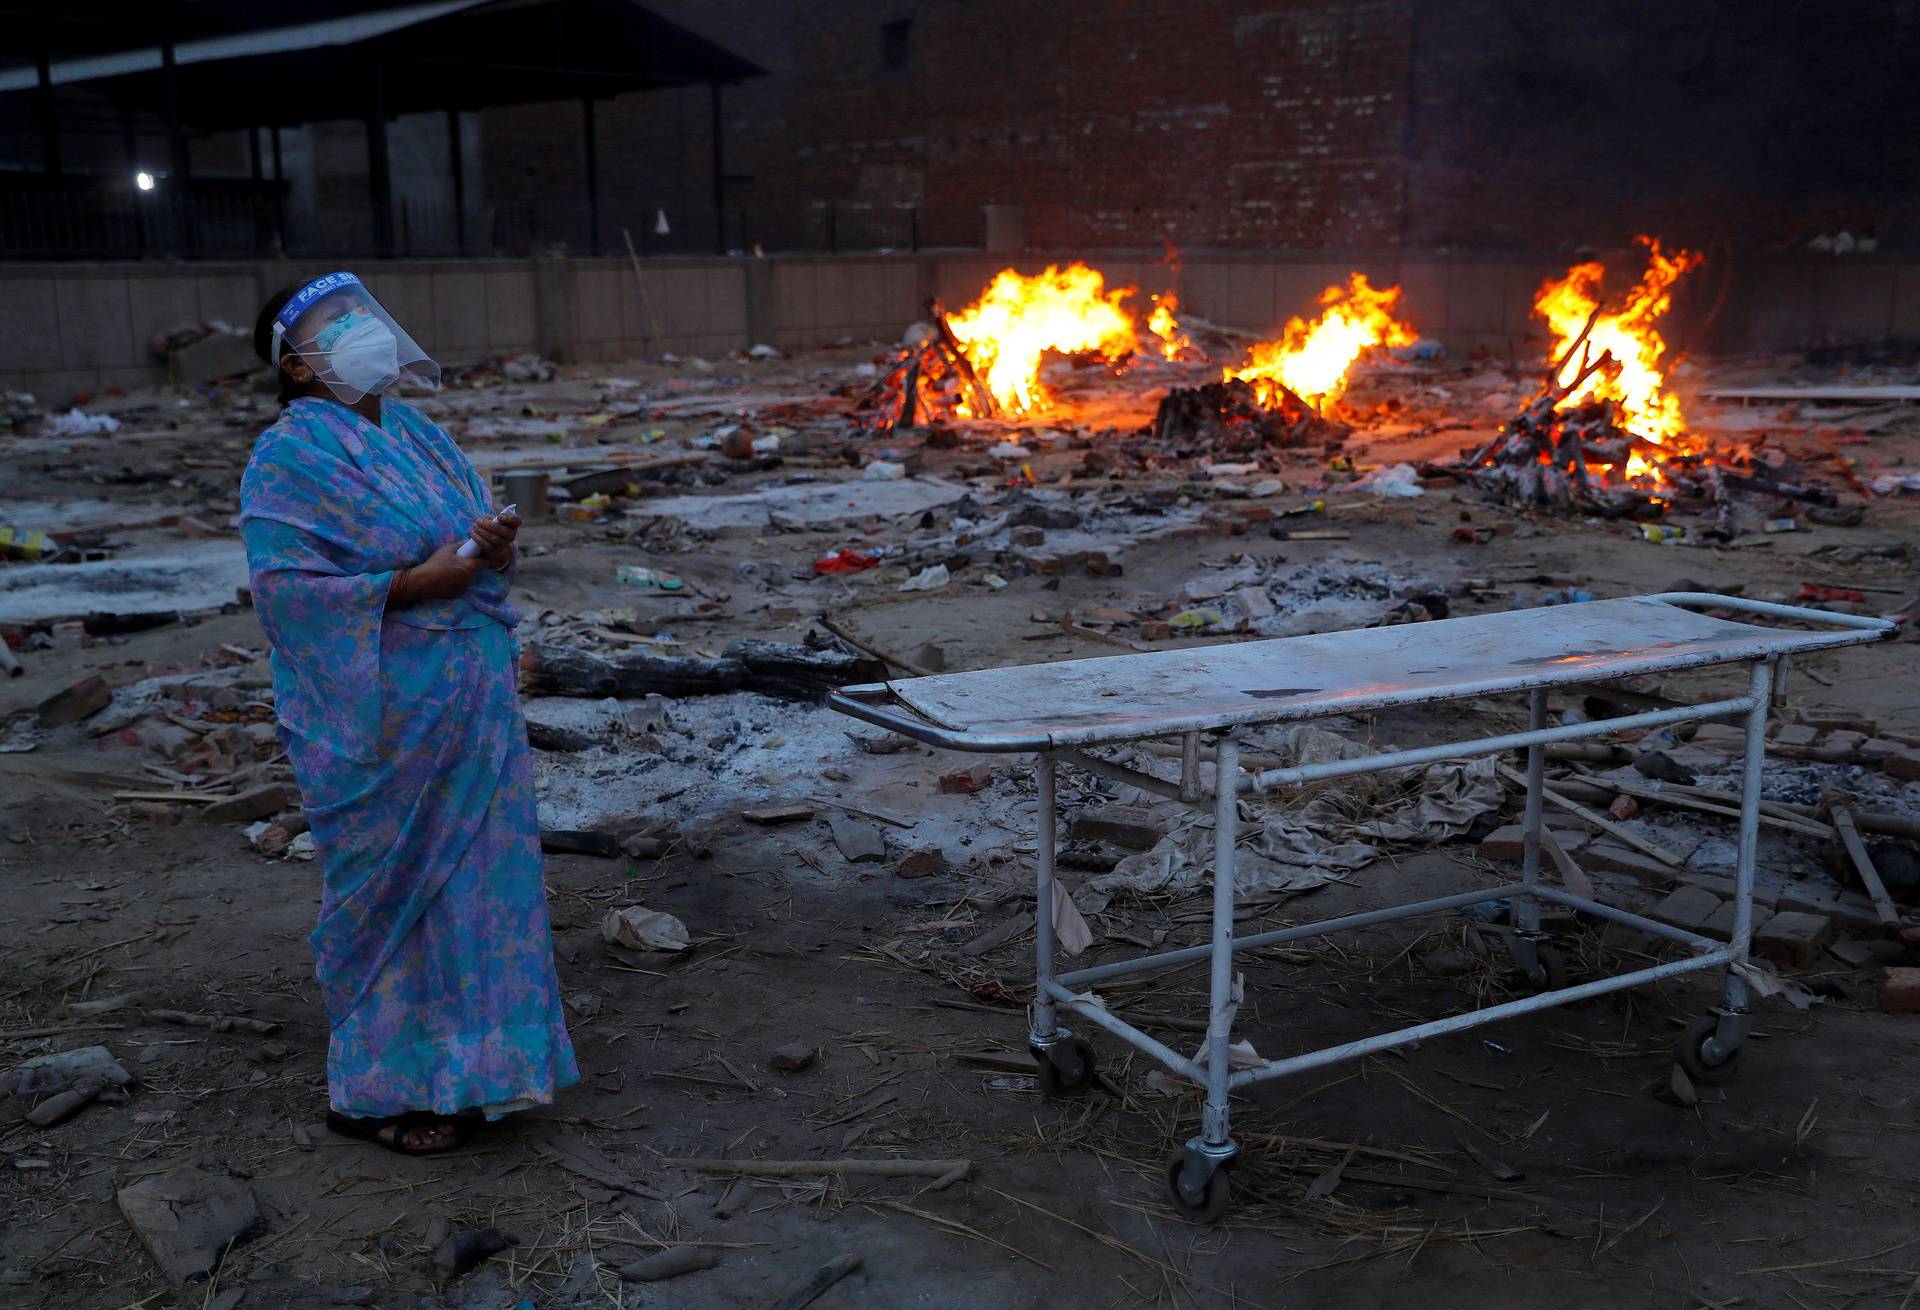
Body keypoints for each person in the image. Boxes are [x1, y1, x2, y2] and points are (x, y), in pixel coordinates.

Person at [240, 272, 578, 1154]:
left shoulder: (421, 434)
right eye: (333, 324)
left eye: (361, 314)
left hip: (471, 707)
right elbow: (287, 597)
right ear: (299, 366)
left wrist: (490, 546)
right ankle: (380, 1090)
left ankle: (480, 1075)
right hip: (386, 718)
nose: (361, 331)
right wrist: (421, 582)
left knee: (481, 893)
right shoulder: (287, 457)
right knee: (401, 899)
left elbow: (470, 542)